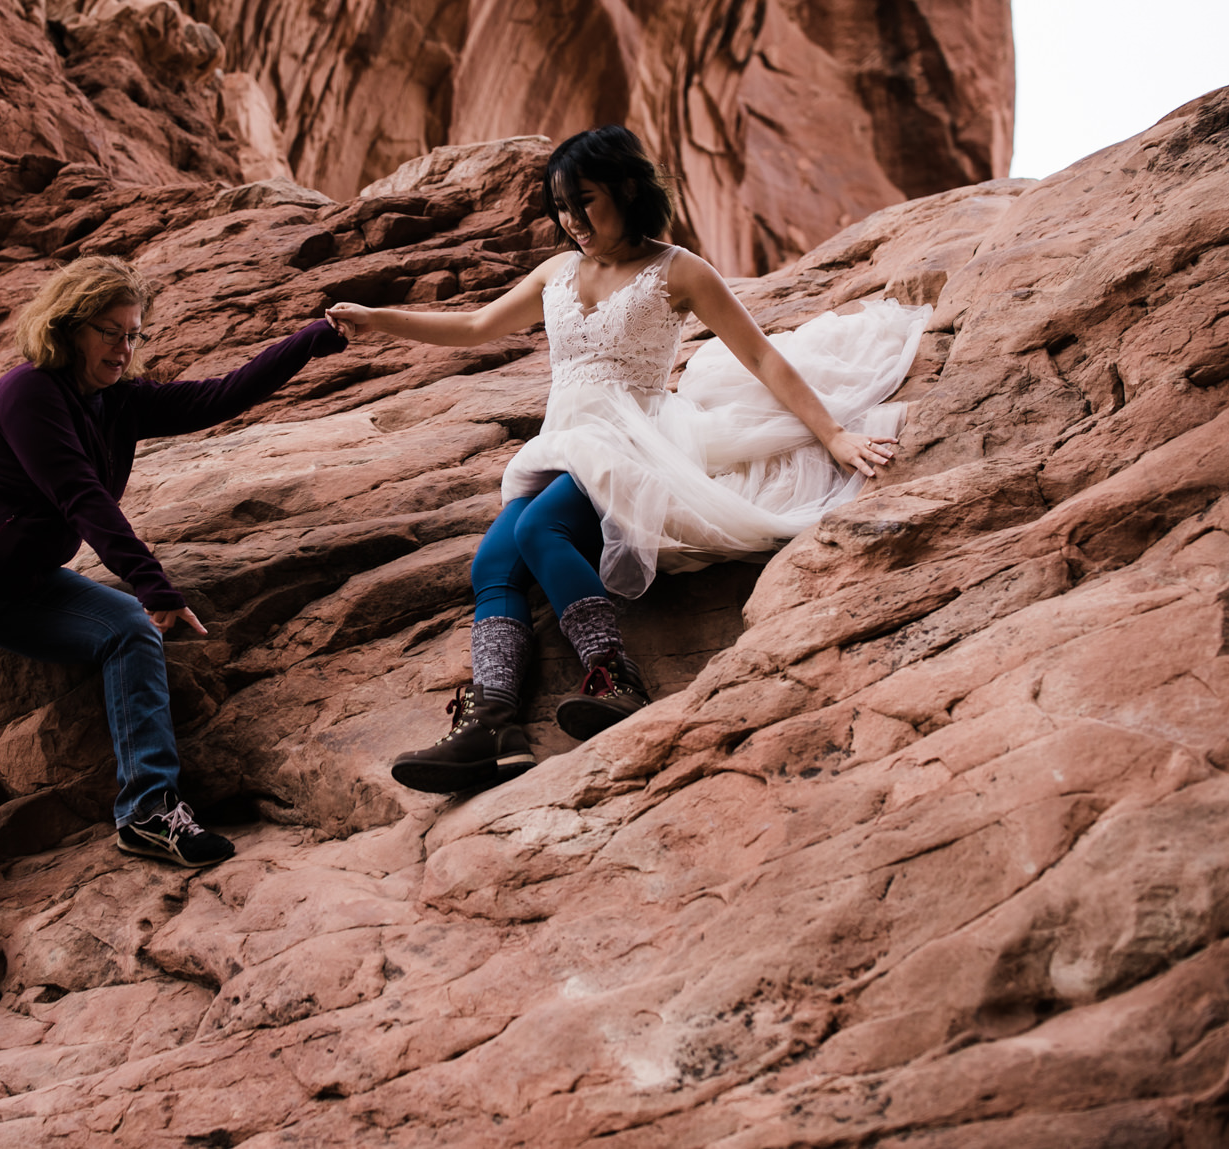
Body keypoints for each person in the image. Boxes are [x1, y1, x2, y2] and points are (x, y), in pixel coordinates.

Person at [326, 126, 929, 794]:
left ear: (628, 188)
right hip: (566, 439)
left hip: (636, 439)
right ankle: (492, 726)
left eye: (585, 201)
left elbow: (760, 356)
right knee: (492, 561)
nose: (572, 220)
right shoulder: (557, 272)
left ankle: (617, 677)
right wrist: (379, 320)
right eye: (560, 205)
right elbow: (474, 326)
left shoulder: (678, 270)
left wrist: (832, 435)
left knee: (537, 529)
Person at [0, 256, 347, 1008]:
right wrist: (156, 585)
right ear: (69, 325)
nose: (125, 349)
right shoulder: (28, 392)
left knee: (126, 630)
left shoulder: (116, 402)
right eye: (111, 332)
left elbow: (219, 397)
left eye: (135, 334)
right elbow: (81, 496)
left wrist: (312, 339)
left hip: (22, 584)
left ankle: (151, 809)